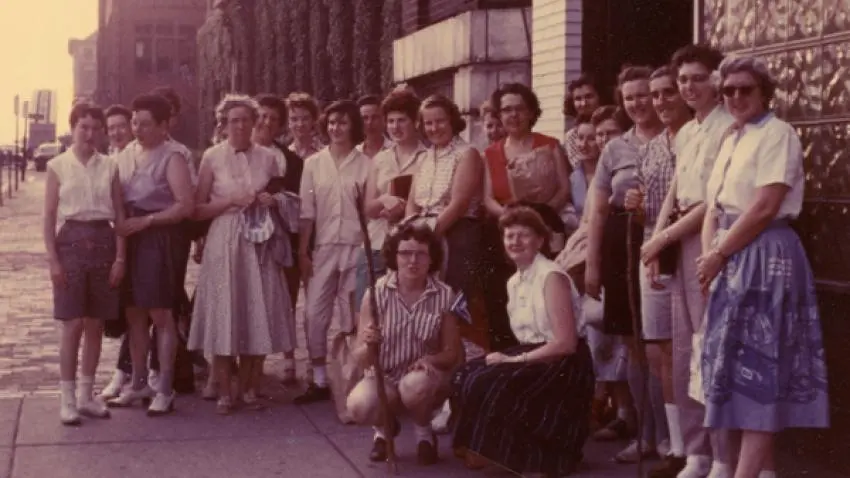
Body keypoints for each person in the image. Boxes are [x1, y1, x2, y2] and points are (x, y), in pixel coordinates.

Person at [698, 55, 829, 478]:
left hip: (765, 254)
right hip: (730, 255)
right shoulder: (731, 138)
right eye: (728, 90)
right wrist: (710, 258)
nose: (736, 97)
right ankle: (765, 472)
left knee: (762, 368)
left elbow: (764, 206)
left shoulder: (778, 133)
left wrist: (718, 254)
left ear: (765, 93)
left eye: (746, 89)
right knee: (737, 369)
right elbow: (715, 207)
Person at [642, 44, 736, 478]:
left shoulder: (727, 127)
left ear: (716, 81)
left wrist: (663, 237)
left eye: (698, 78)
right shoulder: (687, 132)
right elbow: (676, 190)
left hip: (709, 237)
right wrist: (657, 242)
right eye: (683, 79)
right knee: (683, 349)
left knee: (709, 347)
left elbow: (710, 202)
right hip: (680, 239)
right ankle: (696, 451)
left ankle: (722, 455)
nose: (688, 87)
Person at [451, 206, 595, 477]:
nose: (515, 242)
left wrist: (514, 360)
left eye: (524, 235)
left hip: (564, 364)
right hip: (536, 354)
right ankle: (490, 450)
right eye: (509, 236)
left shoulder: (551, 277)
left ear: (540, 241)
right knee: (465, 374)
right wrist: (513, 359)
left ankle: (534, 456)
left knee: (489, 380)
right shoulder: (514, 281)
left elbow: (565, 344)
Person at [188, 94, 296, 415]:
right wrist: (230, 201)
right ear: (223, 124)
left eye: (246, 120)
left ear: (254, 123)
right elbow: (197, 209)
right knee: (225, 310)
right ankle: (224, 390)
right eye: (233, 120)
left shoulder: (269, 158)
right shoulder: (212, 157)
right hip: (224, 239)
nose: (240, 126)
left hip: (260, 239)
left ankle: (249, 388)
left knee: (257, 310)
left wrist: (272, 201)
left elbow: (284, 197)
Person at [585, 66, 665, 444]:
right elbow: (599, 210)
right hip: (621, 243)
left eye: (643, 94)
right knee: (632, 343)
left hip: (661, 237)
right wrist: (593, 264)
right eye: (629, 97)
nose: (637, 103)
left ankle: (667, 437)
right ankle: (644, 434)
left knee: (660, 343)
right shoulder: (615, 148)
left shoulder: (675, 138)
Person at [620, 65, 694, 467]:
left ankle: (697, 446)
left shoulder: (697, 138)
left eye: (668, 92)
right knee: (659, 350)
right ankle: (676, 445)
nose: (660, 101)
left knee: (684, 348)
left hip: (688, 247)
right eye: (655, 94)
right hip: (653, 251)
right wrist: (634, 204)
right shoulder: (649, 148)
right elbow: (646, 209)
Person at [346, 223, 462, 466]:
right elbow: (360, 358)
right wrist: (369, 345)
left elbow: (452, 353)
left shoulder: (445, 295)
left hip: (422, 379)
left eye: (421, 254)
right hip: (383, 378)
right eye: (405, 253)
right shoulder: (375, 294)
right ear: (394, 257)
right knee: (358, 406)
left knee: (415, 386)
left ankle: (424, 434)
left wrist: (430, 359)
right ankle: (384, 430)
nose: (413, 261)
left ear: (432, 258)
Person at [109, 94, 194, 415]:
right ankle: (139, 382)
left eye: (145, 124)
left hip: (159, 237)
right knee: (134, 314)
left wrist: (147, 221)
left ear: (163, 125)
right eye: (135, 123)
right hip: (130, 237)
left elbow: (184, 206)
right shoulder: (125, 154)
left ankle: (166, 388)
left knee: (160, 314)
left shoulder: (173, 156)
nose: (137, 129)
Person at [43, 103, 125, 425]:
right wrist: (53, 260)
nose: (89, 134)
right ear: (73, 128)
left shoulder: (110, 166)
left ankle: (86, 396)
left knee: (95, 324)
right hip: (71, 243)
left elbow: (120, 215)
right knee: (72, 324)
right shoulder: (58, 166)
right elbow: (49, 216)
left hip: (103, 242)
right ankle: (67, 399)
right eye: (83, 127)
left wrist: (120, 257)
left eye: (95, 128)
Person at [294, 100, 371, 404]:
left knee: (351, 315)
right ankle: (318, 378)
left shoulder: (367, 164)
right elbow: (306, 212)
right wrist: (303, 251)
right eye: (331, 122)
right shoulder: (314, 164)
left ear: (353, 125)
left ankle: (352, 377)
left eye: (342, 122)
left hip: (356, 247)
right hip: (324, 248)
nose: (336, 128)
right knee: (314, 313)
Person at [355, 89, 426, 313]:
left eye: (402, 120)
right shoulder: (380, 160)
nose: (395, 127)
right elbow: (368, 208)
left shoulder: (427, 158)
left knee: (404, 312)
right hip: (377, 244)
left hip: (412, 246)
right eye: (391, 121)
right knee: (367, 311)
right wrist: (385, 199)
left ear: (416, 122)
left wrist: (403, 210)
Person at [252, 93, 302, 384]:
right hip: (246, 236)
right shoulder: (237, 151)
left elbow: (299, 199)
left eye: (274, 118)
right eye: (262, 116)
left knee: (283, 297)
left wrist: (279, 200)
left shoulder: (290, 160)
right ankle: (245, 361)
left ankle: (286, 357)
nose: (267, 122)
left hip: (280, 235)